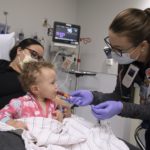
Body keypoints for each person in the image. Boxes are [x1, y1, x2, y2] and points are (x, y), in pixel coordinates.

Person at [67, 8, 150, 150]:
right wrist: (93, 97)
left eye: (119, 49)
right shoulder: (129, 62)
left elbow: (123, 105)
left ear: (142, 46)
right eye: (111, 46)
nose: (113, 54)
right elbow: (119, 96)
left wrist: (121, 108)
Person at [0, 61, 71, 129]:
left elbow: (63, 120)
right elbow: (1, 115)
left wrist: (61, 115)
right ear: (35, 89)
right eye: (52, 83)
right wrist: (12, 123)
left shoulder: (54, 103)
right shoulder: (20, 103)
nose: (56, 86)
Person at [0, 38, 44, 109]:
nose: (36, 60)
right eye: (33, 54)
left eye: (39, 58)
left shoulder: (30, 82)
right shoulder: (1, 64)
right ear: (19, 50)